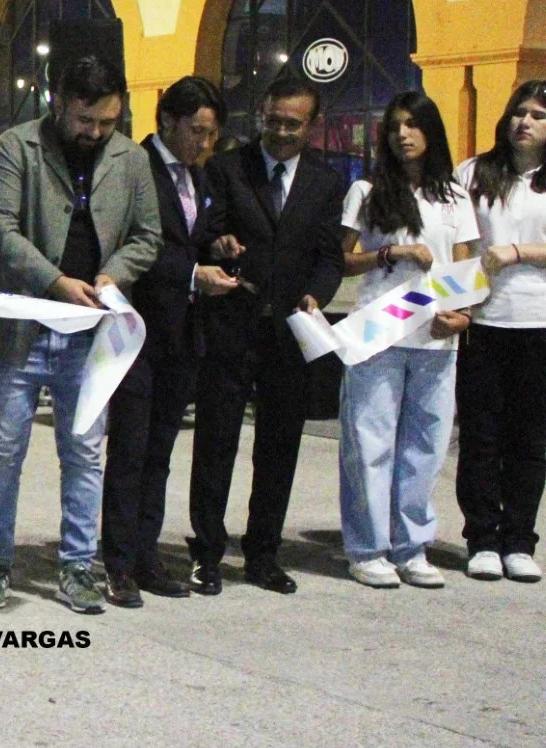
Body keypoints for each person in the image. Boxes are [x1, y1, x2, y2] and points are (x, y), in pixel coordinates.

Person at [0, 53, 160, 615]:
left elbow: (147, 235)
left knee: (84, 453)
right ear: (57, 102)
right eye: (85, 121)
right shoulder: (15, 148)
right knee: (2, 451)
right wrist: (55, 283)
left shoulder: (129, 159)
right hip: (17, 330)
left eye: (107, 122)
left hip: (89, 333)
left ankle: (79, 567)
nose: (96, 132)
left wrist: (111, 276)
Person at [188, 71, 346, 595]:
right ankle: (207, 553)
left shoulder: (327, 182)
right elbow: (205, 235)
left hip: (289, 334)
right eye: (273, 121)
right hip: (232, 327)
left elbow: (329, 258)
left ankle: (263, 554)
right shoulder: (228, 167)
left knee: (279, 448)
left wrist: (317, 296)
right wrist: (221, 244)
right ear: (262, 114)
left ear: (313, 125)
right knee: (217, 443)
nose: (280, 132)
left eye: (293, 125)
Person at [98, 76, 238, 606]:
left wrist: (216, 243)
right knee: (130, 450)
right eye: (197, 132)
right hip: (135, 329)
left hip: (183, 335)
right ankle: (116, 562)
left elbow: (188, 234)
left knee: (160, 450)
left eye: (211, 135)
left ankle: (145, 553)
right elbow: (133, 244)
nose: (204, 144)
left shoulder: (198, 177)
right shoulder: (134, 167)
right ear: (169, 121)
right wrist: (191, 274)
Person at [337, 93, 475, 588]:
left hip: (436, 336)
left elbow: (462, 266)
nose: (403, 133)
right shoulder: (367, 190)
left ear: (431, 132)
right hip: (379, 330)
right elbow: (341, 259)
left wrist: (461, 315)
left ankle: (412, 545)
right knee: (369, 442)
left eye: (414, 124)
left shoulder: (455, 197)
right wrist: (389, 252)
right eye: (395, 125)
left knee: (425, 446)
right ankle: (367, 547)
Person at [455, 80, 546, 582]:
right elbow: (454, 241)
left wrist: (519, 252)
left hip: (539, 324)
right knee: (482, 436)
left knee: (531, 439)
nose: (525, 122)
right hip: (485, 322)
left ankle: (520, 539)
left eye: (537, 114)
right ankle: (482, 538)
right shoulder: (473, 172)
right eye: (519, 112)